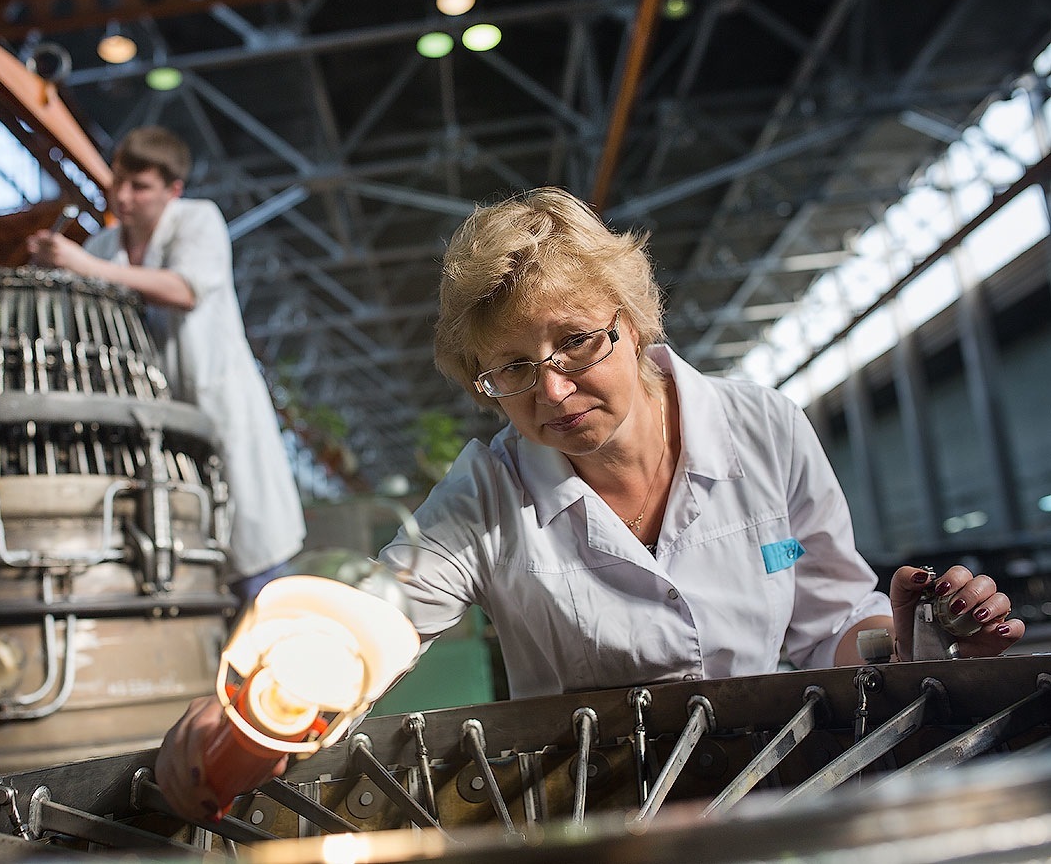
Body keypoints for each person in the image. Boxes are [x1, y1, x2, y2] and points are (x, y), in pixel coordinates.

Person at [152, 187, 1024, 820]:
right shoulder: (491, 487)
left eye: (574, 342)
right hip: (598, 813)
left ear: (634, 321)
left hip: (780, 795)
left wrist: (912, 640)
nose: (554, 389)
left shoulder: (762, 427)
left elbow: (833, 631)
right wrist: (246, 710)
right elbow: (377, 620)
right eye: (515, 369)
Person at [26, 126, 305, 602]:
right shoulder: (103, 246)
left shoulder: (197, 220)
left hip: (214, 405)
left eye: (140, 187)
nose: (124, 197)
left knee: (252, 550)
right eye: (118, 183)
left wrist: (82, 265)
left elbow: (184, 290)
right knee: (179, 546)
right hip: (146, 419)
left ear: (173, 190)